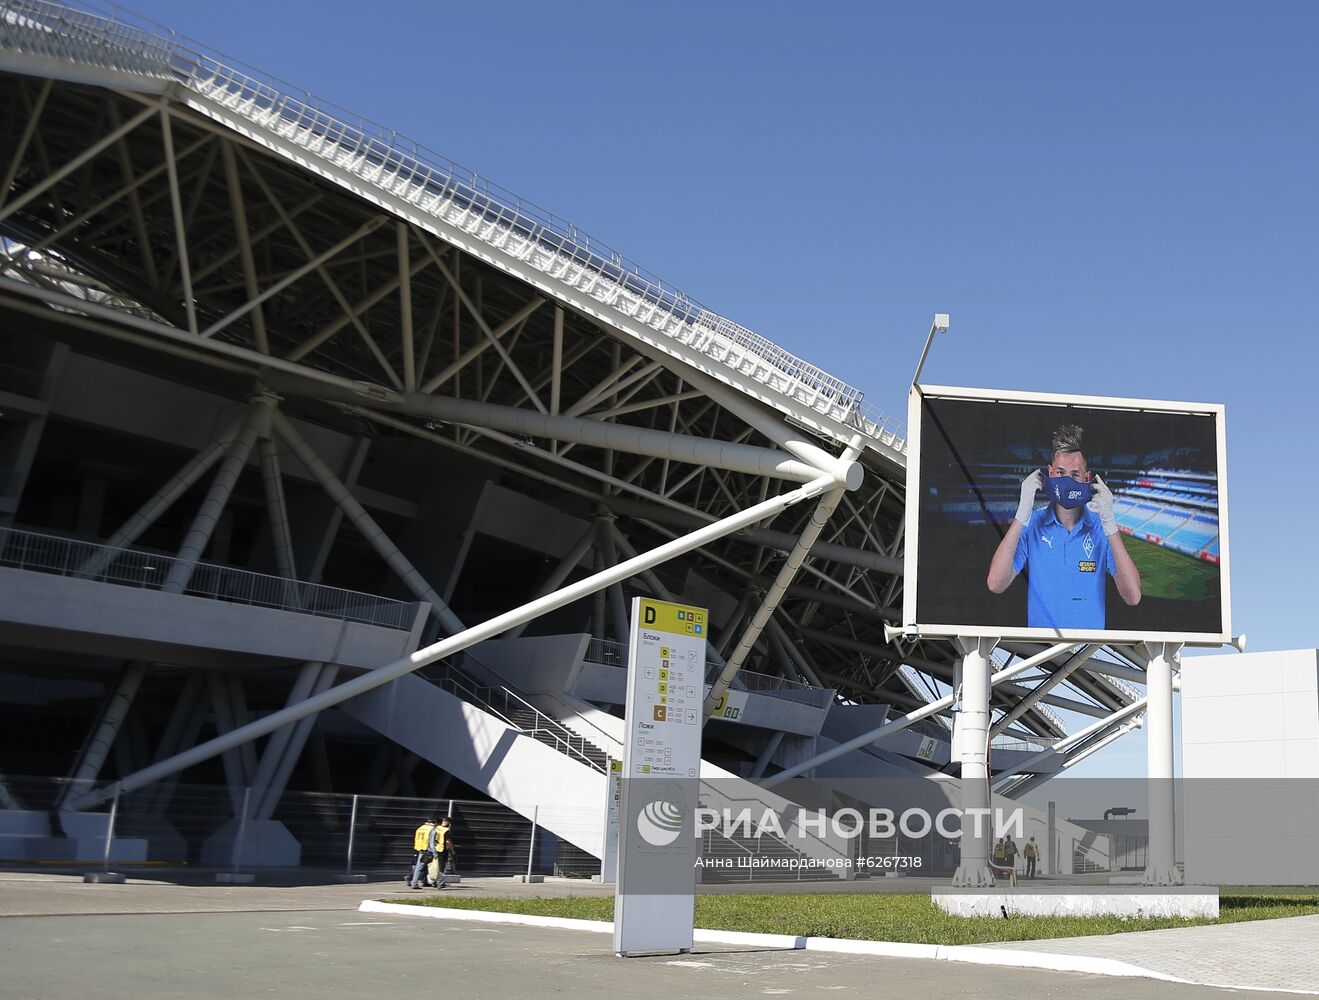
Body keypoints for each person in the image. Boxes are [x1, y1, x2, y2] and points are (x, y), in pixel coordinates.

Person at [986, 423, 1141, 629]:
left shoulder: (1101, 528)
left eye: (1075, 474)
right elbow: (996, 584)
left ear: (1087, 478)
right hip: (1041, 649)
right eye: (1060, 472)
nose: (1067, 481)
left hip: (1089, 650)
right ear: (1050, 473)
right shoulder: (1032, 524)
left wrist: (1109, 523)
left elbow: (1133, 597)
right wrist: (1021, 514)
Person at [409, 814, 439, 890]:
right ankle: (437, 882)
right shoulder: (432, 830)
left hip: (420, 849)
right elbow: (431, 842)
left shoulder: (420, 828)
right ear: (434, 822)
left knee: (419, 867)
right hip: (427, 850)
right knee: (435, 867)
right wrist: (434, 853)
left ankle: (415, 882)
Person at [428, 816, 454, 889]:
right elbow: (447, 841)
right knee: (442, 867)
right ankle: (440, 883)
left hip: (435, 849)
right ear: (447, 822)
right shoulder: (445, 830)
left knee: (436, 866)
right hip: (442, 850)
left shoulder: (436, 828)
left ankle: (435, 882)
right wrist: (452, 851)